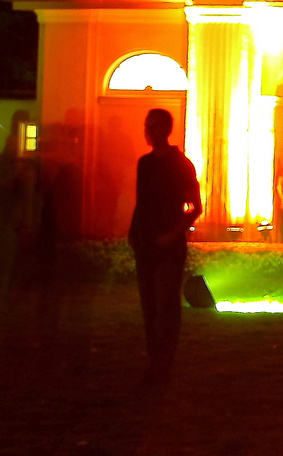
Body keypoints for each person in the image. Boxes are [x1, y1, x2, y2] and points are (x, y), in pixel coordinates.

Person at [127, 108, 201, 385]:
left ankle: (162, 364)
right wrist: (135, 231)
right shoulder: (144, 163)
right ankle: (154, 362)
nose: (145, 131)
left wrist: (172, 235)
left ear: (161, 130)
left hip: (167, 246)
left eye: (149, 127)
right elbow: (142, 201)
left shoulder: (180, 164)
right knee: (150, 306)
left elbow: (195, 207)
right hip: (146, 242)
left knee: (166, 305)